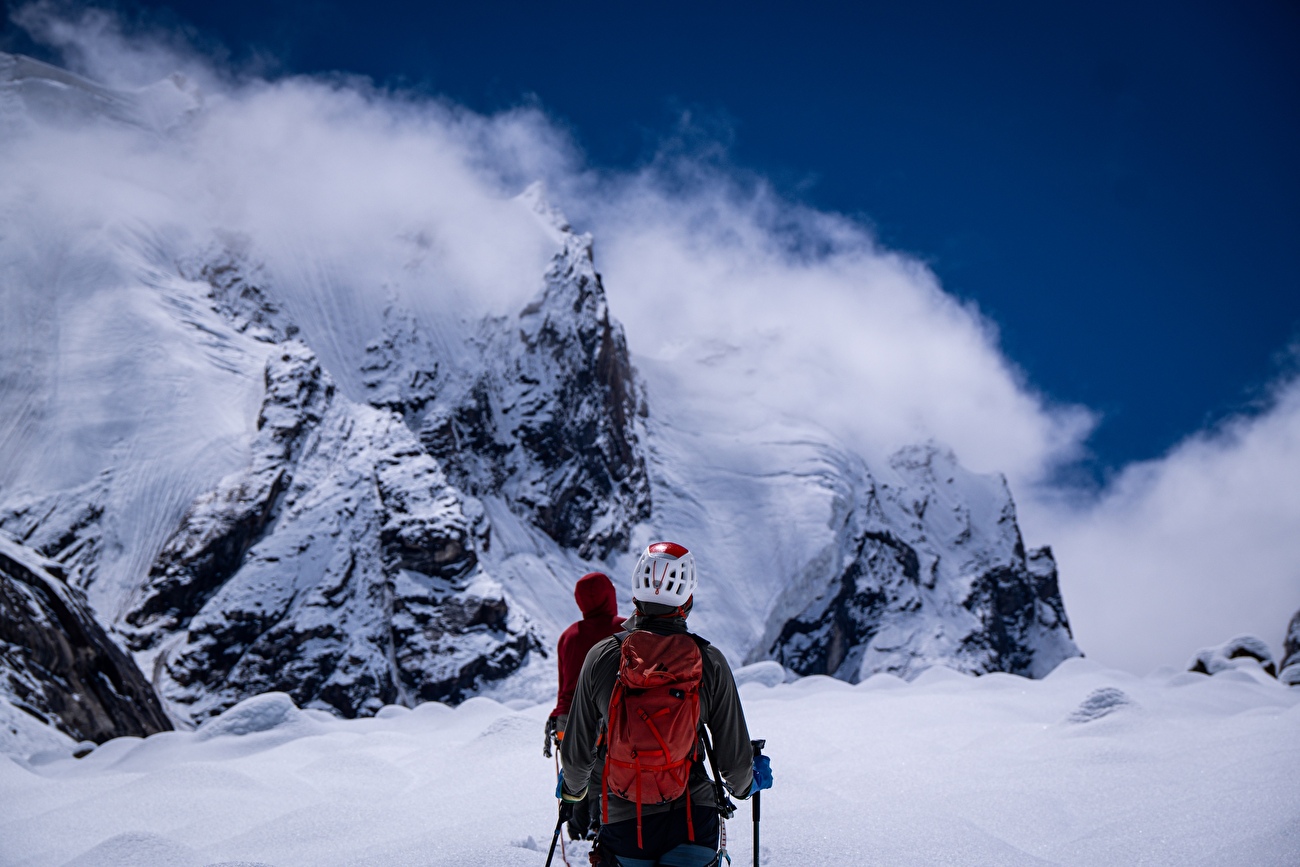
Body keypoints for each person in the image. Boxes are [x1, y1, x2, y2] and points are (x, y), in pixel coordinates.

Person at [559, 542, 773, 867]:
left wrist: (572, 791)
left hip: (624, 822)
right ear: (687, 601)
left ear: (634, 596)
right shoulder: (709, 661)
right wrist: (748, 783)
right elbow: (735, 766)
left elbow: (577, 759)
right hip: (693, 816)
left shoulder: (602, 657)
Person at [545, 570, 626, 839]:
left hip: (568, 718)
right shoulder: (626, 630)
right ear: (610, 596)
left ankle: (578, 829)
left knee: (577, 773)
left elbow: (564, 684)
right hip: (610, 714)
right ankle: (601, 826)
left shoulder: (568, 636)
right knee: (606, 774)